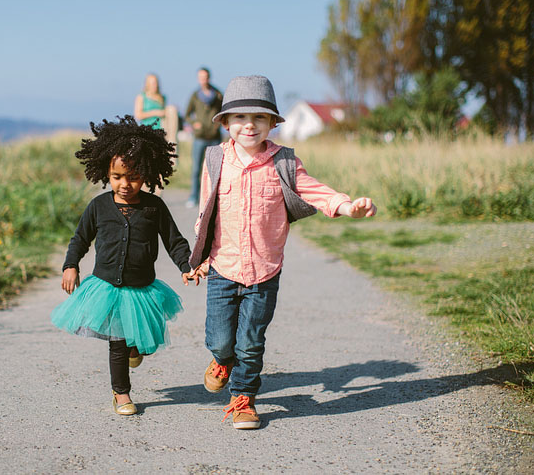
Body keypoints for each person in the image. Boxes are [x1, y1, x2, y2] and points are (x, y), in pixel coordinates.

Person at [188, 76, 377, 430]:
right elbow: (206, 209)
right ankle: (221, 361)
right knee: (220, 339)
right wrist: (198, 260)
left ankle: (243, 398)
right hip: (222, 268)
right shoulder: (215, 159)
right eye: (240, 117)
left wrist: (349, 207)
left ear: (273, 123)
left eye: (259, 117)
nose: (249, 125)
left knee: (250, 342)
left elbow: (316, 191)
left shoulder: (284, 162)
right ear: (226, 123)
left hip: (265, 271)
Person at [51, 115, 199, 416]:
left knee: (144, 344)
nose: (124, 184)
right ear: (107, 172)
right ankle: (121, 393)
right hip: (107, 288)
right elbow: (80, 239)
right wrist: (71, 265)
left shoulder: (153, 207)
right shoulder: (99, 207)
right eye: (117, 176)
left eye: (132, 176)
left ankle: (137, 349)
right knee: (116, 344)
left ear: (145, 174)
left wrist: (186, 265)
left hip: (142, 288)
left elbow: (174, 241)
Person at [184, 67, 223, 207]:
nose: (203, 80)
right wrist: (195, 123)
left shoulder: (218, 94)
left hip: (214, 137)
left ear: (209, 77)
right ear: (198, 79)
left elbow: (224, 111)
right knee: (196, 169)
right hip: (199, 137)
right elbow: (187, 115)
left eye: (205, 77)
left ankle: (214, 198)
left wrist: (218, 125)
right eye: (201, 77)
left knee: (215, 168)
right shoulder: (195, 95)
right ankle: (194, 196)